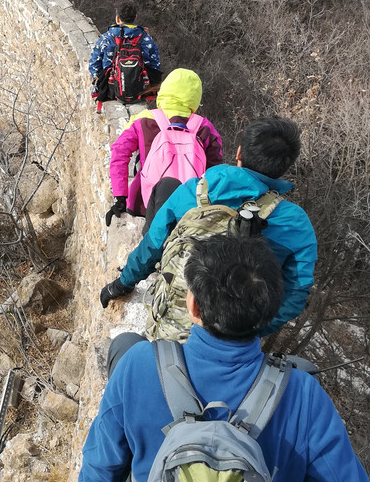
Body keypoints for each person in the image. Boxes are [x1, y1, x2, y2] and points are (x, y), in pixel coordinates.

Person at [66, 236, 370, 482]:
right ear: (269, 315)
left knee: (124, 345)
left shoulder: (140, 366)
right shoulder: (304, 398)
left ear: (193, 306)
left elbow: (103, 453)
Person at [100, 117, 317, 337]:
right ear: (285, 166)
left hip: (172, 322)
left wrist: (123, 283)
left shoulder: (196, 190)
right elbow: (295, 294)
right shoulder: (296, 225)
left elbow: (152, 244)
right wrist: (248, 332)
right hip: (235, 340)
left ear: (239, 152)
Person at [106, 68, 223, 234]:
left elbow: (119, 153)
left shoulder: (143, 120)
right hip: (188, 209)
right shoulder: (205, 127)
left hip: (144, 206)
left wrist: (120, 196)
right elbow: (215, 171)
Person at [88, 2, 162, 106]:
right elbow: (155, 67)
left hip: (111, 91)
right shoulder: (146, 39)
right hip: (139, 91)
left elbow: (94, 65)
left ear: (117, 19)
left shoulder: (106, 38)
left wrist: (99, 82)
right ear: (135, 18)